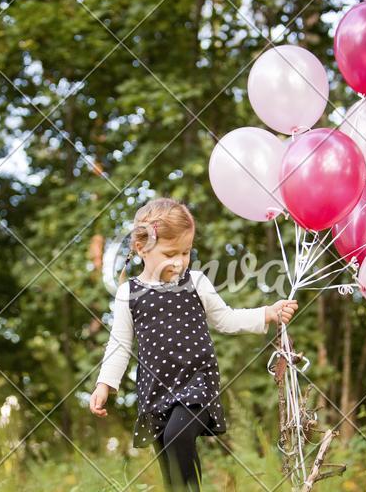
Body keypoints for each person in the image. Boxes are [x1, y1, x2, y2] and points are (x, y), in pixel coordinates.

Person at [90, 197, 298, 490]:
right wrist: (105, 384)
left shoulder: (195, 281)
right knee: (172, 468)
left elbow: (226, 318)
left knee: (178, 435)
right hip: (155, 389)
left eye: (186, 252)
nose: (180, 261)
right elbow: (120, 343)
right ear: (141, 248)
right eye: (170, 253)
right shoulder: (129, 293)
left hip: (195, 382)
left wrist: (268, 313)